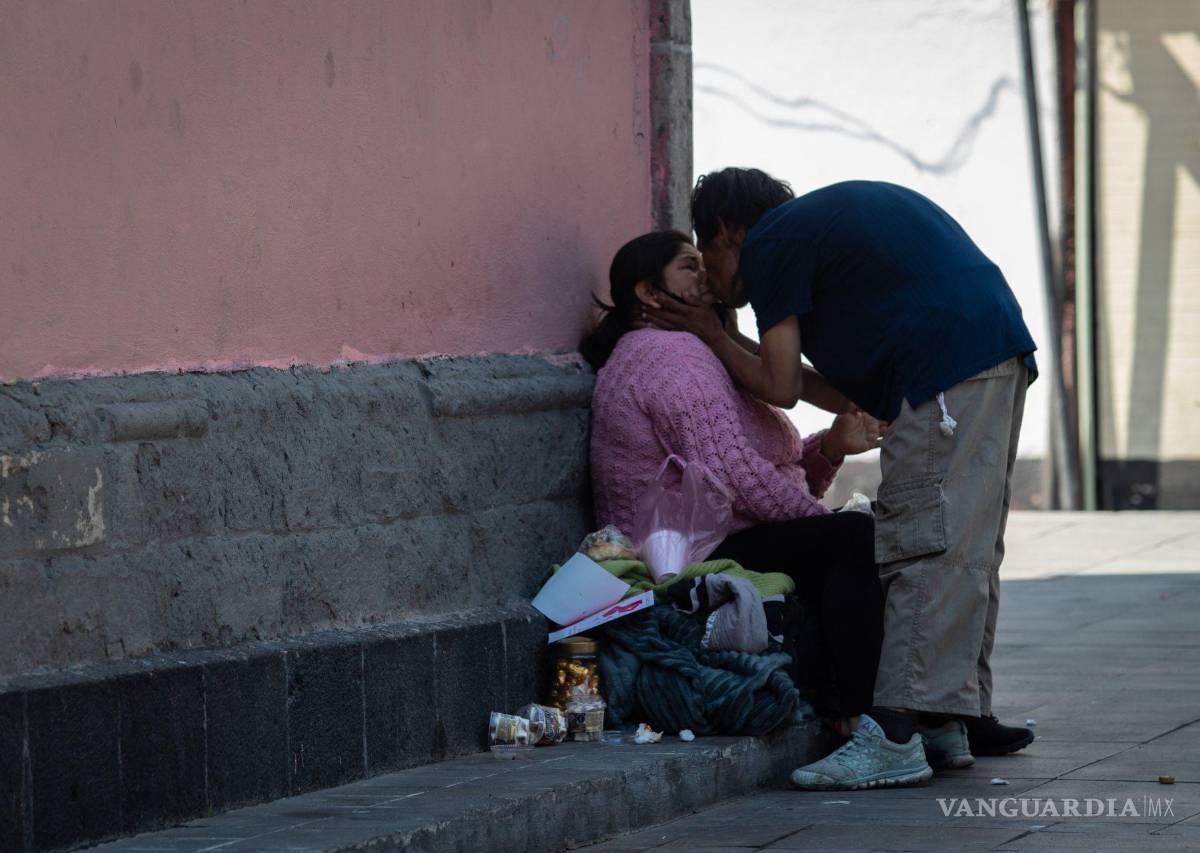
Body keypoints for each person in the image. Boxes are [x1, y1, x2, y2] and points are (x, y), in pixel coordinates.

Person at [645, 168, 1038, 790]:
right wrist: (729, 337)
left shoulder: (770, 244)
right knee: (967, 544)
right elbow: (826, 390)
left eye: (704, 256)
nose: (712, 281)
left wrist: (712, 333)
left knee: (923, 544)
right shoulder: (817, 234)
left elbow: (778, 386)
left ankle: (897, 734)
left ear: (724, 232)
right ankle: (947, 719)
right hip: (991, 353)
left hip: (945, 369)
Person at [583, 230, 887, 734]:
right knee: (855, 537)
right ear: (649, 293)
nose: (706, 276)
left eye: (705, 263)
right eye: (689, 266)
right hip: (682, 553)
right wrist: (823, 520)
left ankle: (865, 708)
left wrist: (829, 449)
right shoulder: (666, 355)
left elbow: (752, 475)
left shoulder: (693, 350)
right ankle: (855, 715)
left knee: (856, 532)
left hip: (721, 532)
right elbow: (734, 477)